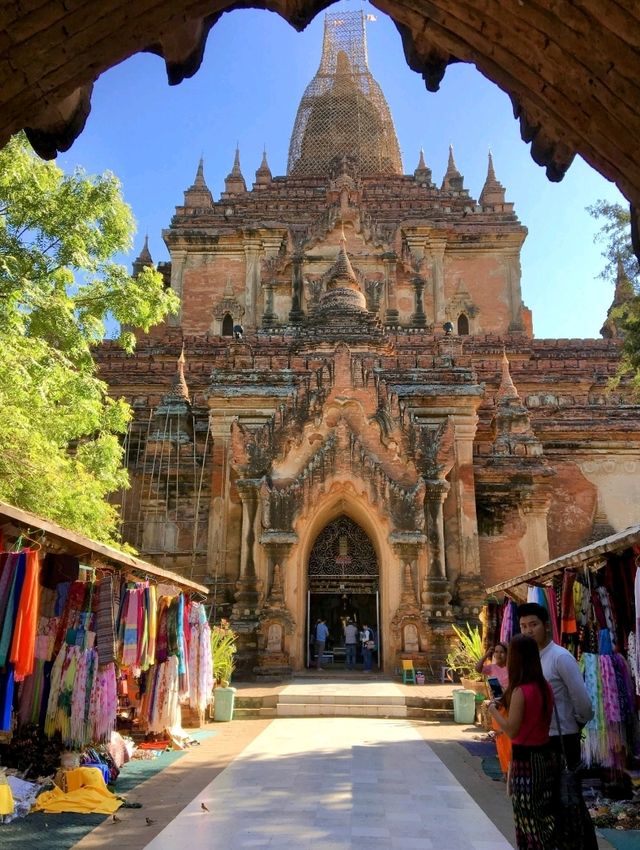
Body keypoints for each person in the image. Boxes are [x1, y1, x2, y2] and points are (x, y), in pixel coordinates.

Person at [518, 602, 597, 850]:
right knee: (547, 804)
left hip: (563, 740)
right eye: (523, 626)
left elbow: (583, 702)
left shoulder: (560, 658)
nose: (529, 631)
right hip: (538, 743)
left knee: (569, 802)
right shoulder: (528, 661)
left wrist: (575, 725)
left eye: (533, 625)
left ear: (546, 626)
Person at [488, 634, 555, 850]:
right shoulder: (544, 687)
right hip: (544, 756)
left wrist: (493, 712)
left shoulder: (521, 691)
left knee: (526, 819)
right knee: (542, 816)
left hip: (525, 760)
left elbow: (511, 729)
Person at [477, 642, 511, 778]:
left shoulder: (512, 669)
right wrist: (486, 655)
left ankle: (510, 768)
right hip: (496, 707)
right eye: (496, 652)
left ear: (508, 654)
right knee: (500, 740)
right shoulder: (491, 668)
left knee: (508, 739)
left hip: (508, 706)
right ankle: (504, 770)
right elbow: (478, 668)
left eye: (501, 652)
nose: (498, 655)